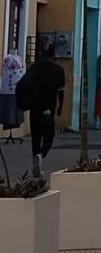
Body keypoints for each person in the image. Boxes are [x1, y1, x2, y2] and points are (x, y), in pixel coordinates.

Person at [17, 42, 65, 178]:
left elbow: (23, 83)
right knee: (49, 136)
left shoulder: (35, 68)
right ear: (54, 55)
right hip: (49, 107)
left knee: (36, 136)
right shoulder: (58, 70)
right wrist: (60, 108)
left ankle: (35, 160)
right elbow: (61, 92)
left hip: (35, 107)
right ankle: (41, 154)